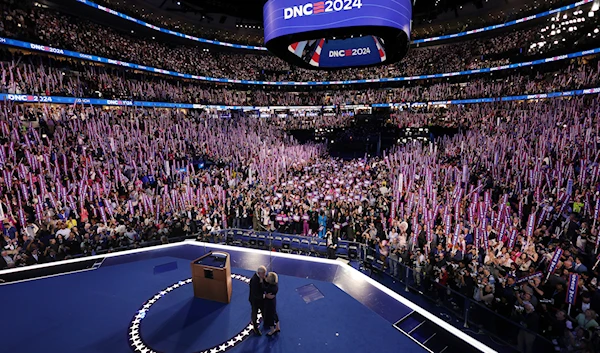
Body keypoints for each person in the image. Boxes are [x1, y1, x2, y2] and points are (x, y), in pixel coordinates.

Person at [249, 265, 267, 335]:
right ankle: (255, 328)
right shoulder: (254, 280)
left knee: (263, 311)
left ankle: (266, 322)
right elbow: (255, 293)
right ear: (259, 273)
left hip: (260, 299)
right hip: (255, 300)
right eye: (264, 274)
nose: (264, 275)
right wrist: (265, 296)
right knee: (255, 313)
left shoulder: (261, 277)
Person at [264, 272, 280, 336]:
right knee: (274, 313)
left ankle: (272, 330)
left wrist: (264, 294)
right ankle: (277, 326)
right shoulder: (275, 286)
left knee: (270, 317)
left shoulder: (269, 288)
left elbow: (268, 296)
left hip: (269, 303)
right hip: (273, 302)